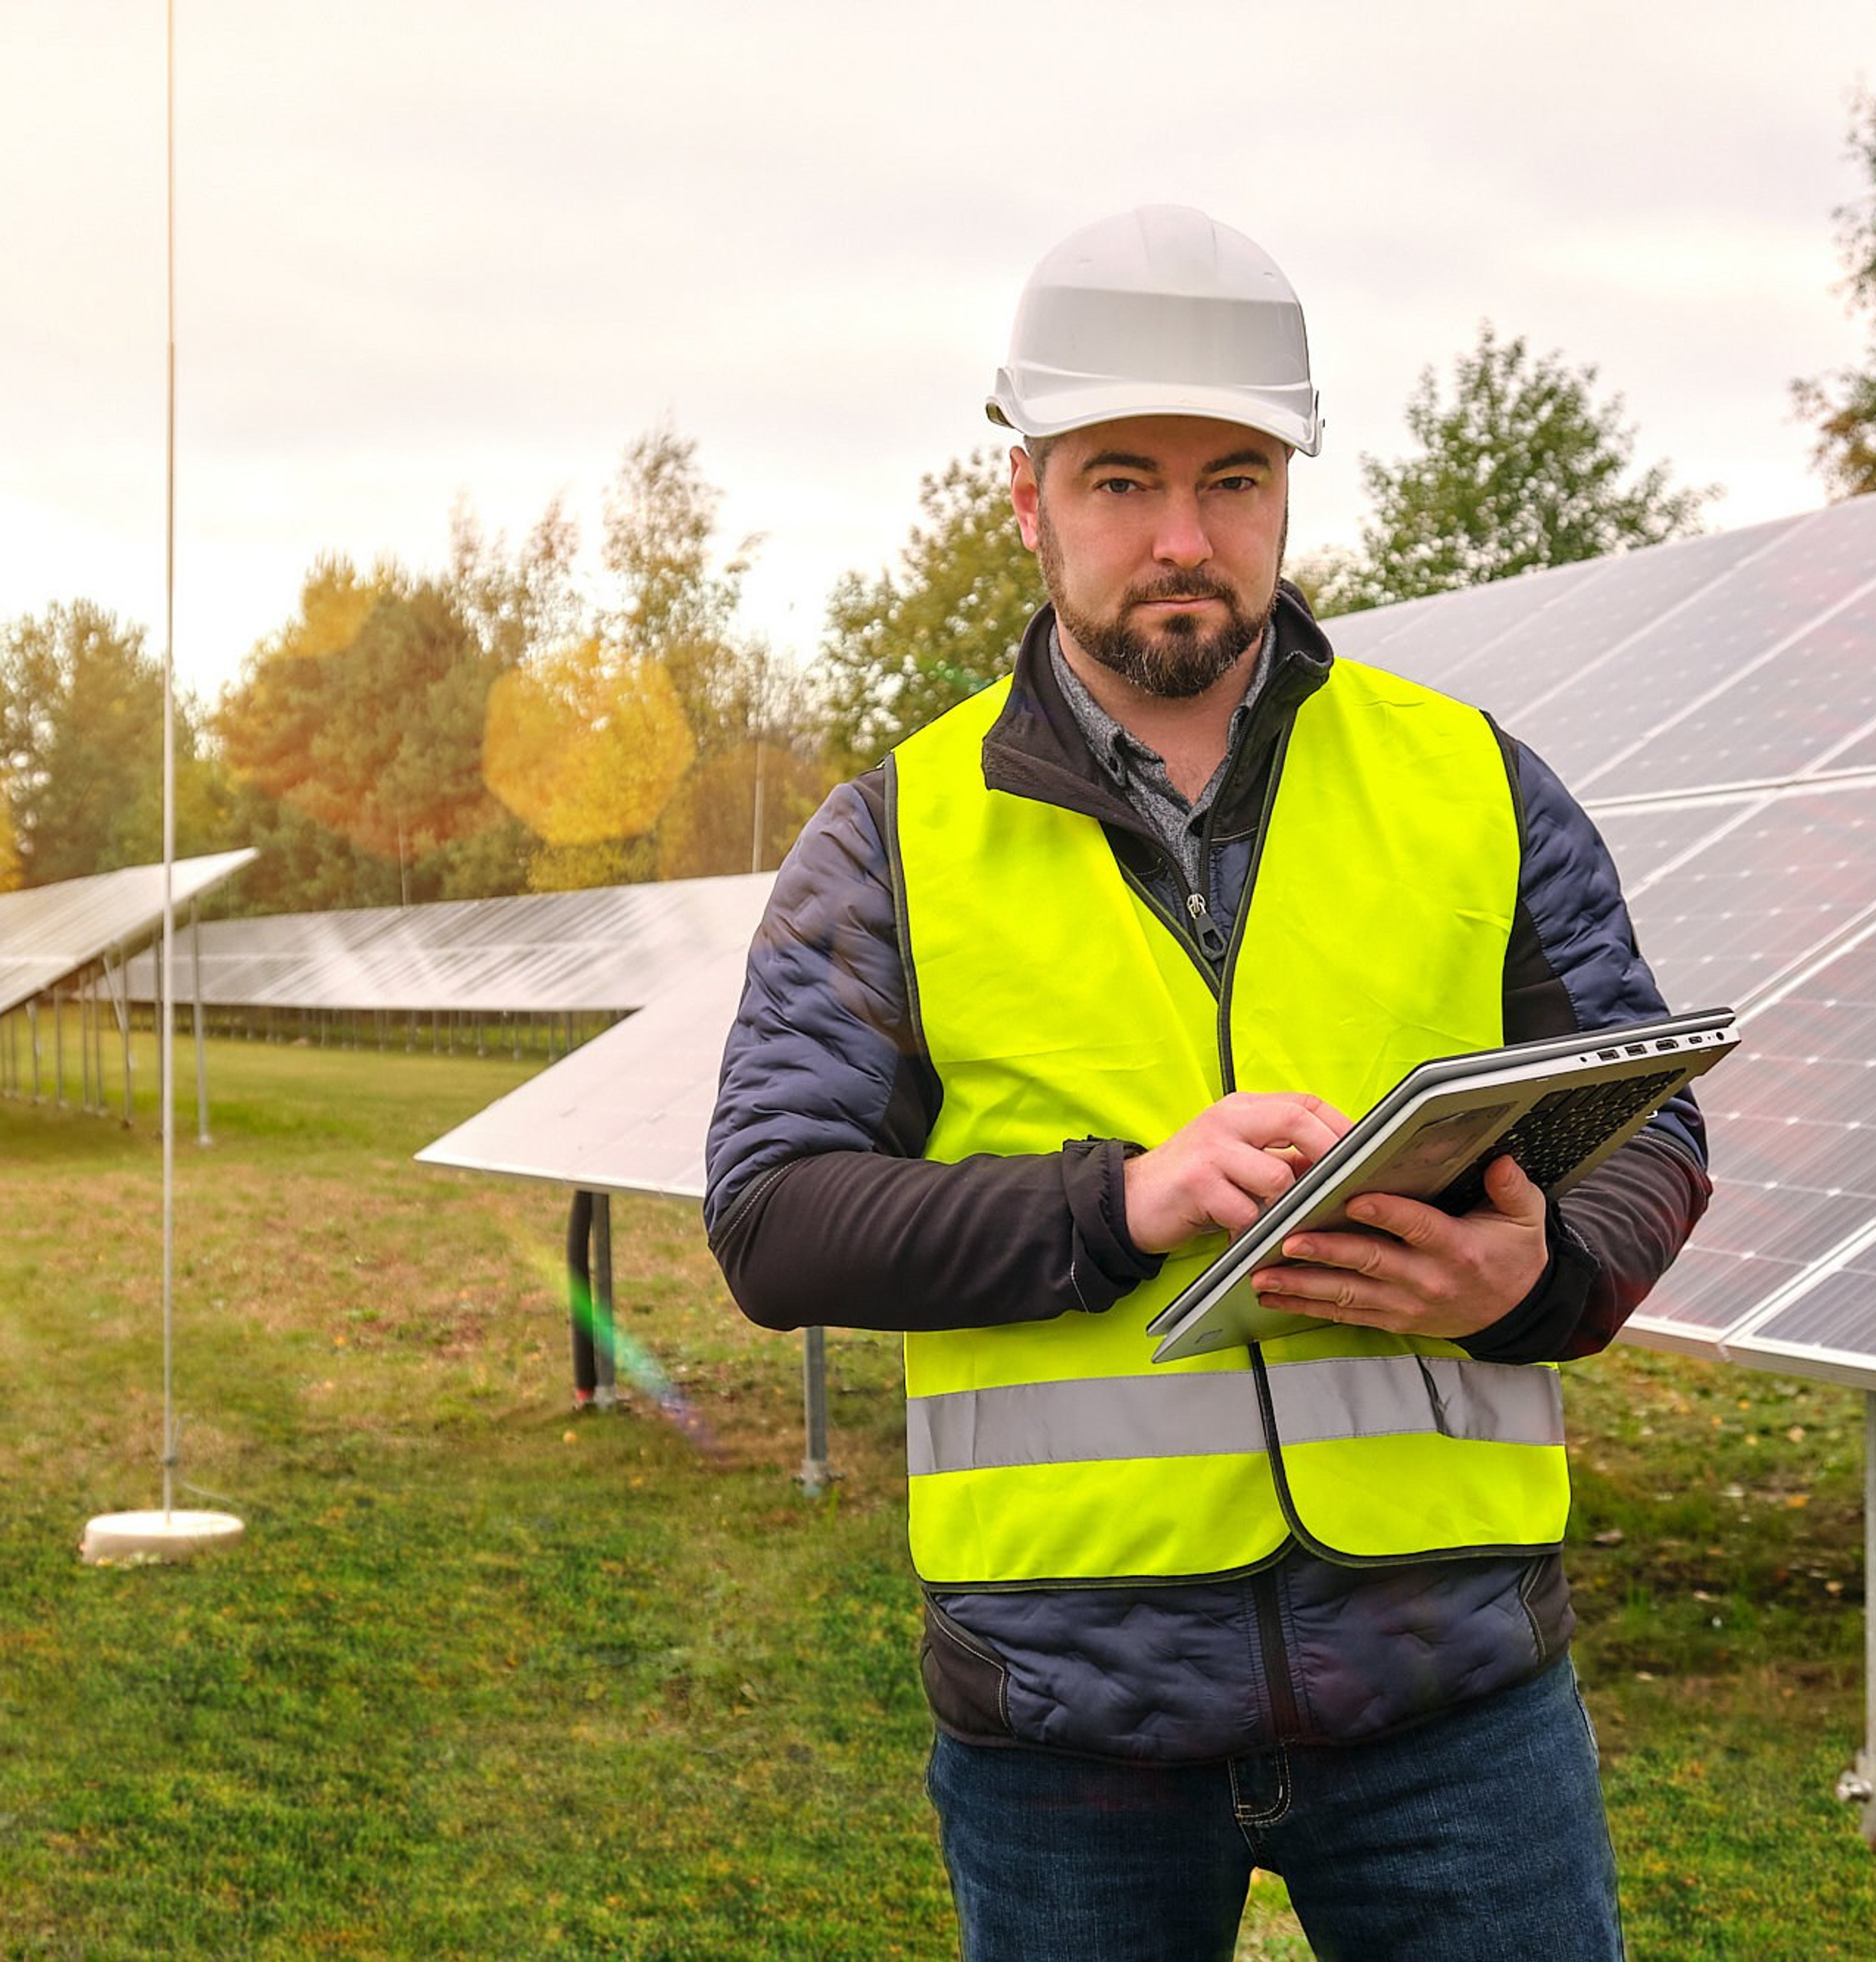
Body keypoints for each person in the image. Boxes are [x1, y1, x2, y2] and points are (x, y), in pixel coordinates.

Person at [704, 206, 1711, 1961]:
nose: (1182, 534)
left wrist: (1533, 1276)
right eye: (1119, 480)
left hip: (1454, 1692)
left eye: (1233, 476)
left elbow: (1648, 1120)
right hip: (1063, 1714)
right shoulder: (893, 836)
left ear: (1286, 491)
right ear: (1025, 498)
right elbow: (772, 1219)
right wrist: (1117, 1199)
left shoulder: (1469, 780)